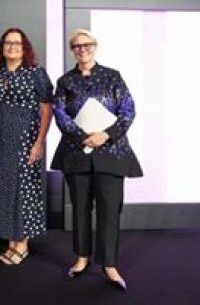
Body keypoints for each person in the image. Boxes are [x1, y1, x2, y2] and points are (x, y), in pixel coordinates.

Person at [51, 29, 142, 291]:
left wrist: (106, 135)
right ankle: (82, 258)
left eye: (87, 45)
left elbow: (128, 110)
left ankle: (109, 264)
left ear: (95, 46)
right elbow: (60, 113)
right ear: (72, 51)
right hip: (76, 152)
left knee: (110, 211)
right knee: (80, 209)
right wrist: (83, 137)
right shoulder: (65, 81)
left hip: (111, 153)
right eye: (77, 46)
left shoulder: (113, 76)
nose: (83, 49)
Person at [0, 28, 53, 265]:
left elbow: (46, 108)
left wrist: (39, 142)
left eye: (17, 43)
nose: (12, 47)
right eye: (8, 43)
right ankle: (11, 242)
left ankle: (22, 244)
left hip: (26, 138)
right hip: (0, 138)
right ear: (2, 46)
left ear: (25, 48)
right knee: (4, 189)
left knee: (23, 190)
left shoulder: (36, 73)